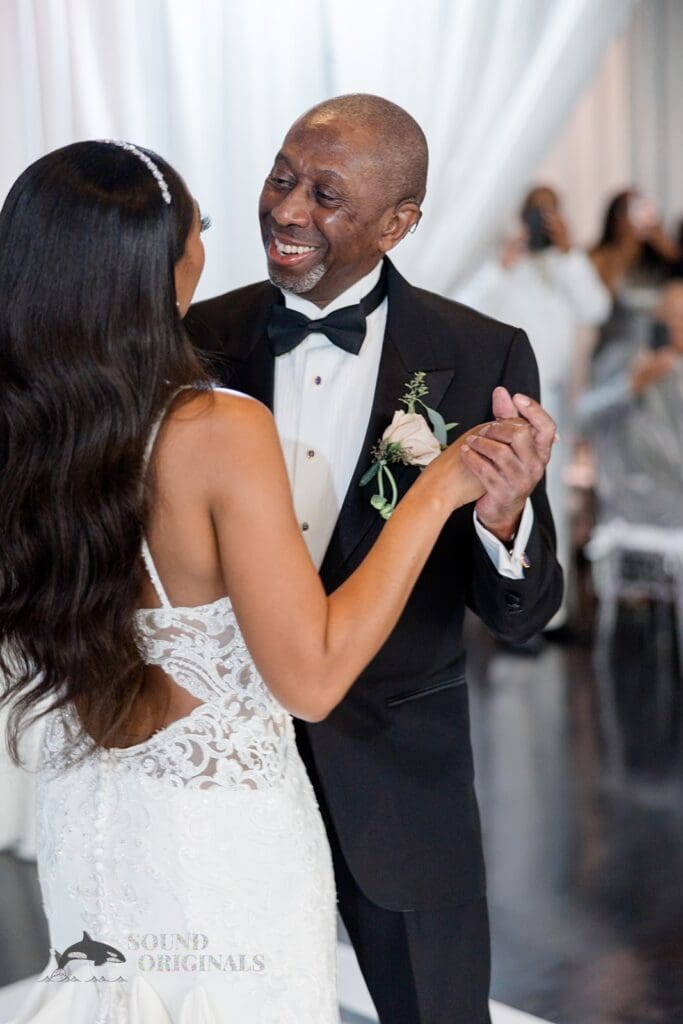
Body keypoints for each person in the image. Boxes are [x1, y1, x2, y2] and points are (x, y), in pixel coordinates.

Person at [0, 140, 524, 1024]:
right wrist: (437, 491)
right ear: (158, 265)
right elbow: (311, 679)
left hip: (90, 823)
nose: (278, 214)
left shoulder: (30, 419)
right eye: (195, 225)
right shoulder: (213, 425)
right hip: (220, 847)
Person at [185, 94, 563, 1024]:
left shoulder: (478, 353)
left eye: (324, 193)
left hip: (401, 782)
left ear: (398, 222)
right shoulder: (194, 342)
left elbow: (521, 614)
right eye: (280, 177)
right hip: (228, 774)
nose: (285, 209)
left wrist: (504, 518)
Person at [458, 185, 611, 632]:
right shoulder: (501, 262)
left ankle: (553, 615)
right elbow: (466, 308)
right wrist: (504, 265)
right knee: (501, 503)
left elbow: (597, 309)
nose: (542, 221)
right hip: (506, 404)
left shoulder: (566, 264)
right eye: (535, 212)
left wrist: (566, 254)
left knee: (554, 502)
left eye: (549, 211)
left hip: (555, 401)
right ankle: (507, 609)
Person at [577, 280, 683, 527]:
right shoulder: (625, 359)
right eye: (673, 317)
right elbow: (581, 418)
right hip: (627, 520)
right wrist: (632, 384)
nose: (678, 326)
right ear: (657, 318)